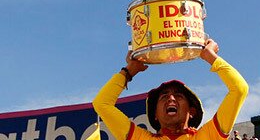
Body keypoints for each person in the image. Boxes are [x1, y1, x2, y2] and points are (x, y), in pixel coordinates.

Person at [93, 38, 248, 140]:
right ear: (155, 115)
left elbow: (239, 89)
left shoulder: (208, 136)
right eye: (164, 96)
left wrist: (210, 56)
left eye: (178, 96)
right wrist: (128, 71)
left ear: (191, 111)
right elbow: (101, 104)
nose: (171, 98)